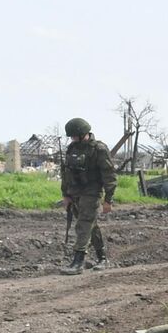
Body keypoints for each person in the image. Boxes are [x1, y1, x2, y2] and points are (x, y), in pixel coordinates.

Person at [60, 117, 115, 274]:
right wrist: (66, 194)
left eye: (74, 136)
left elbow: (109, 175)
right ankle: (102, 258)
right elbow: (65, 173)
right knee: (91, 225)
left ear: (83, 133)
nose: (73, 139)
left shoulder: (99, 149)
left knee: (83, 224)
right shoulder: (72, 148)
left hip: (92, 192)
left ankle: (78, 262)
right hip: (75, 192)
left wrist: (108, 200)